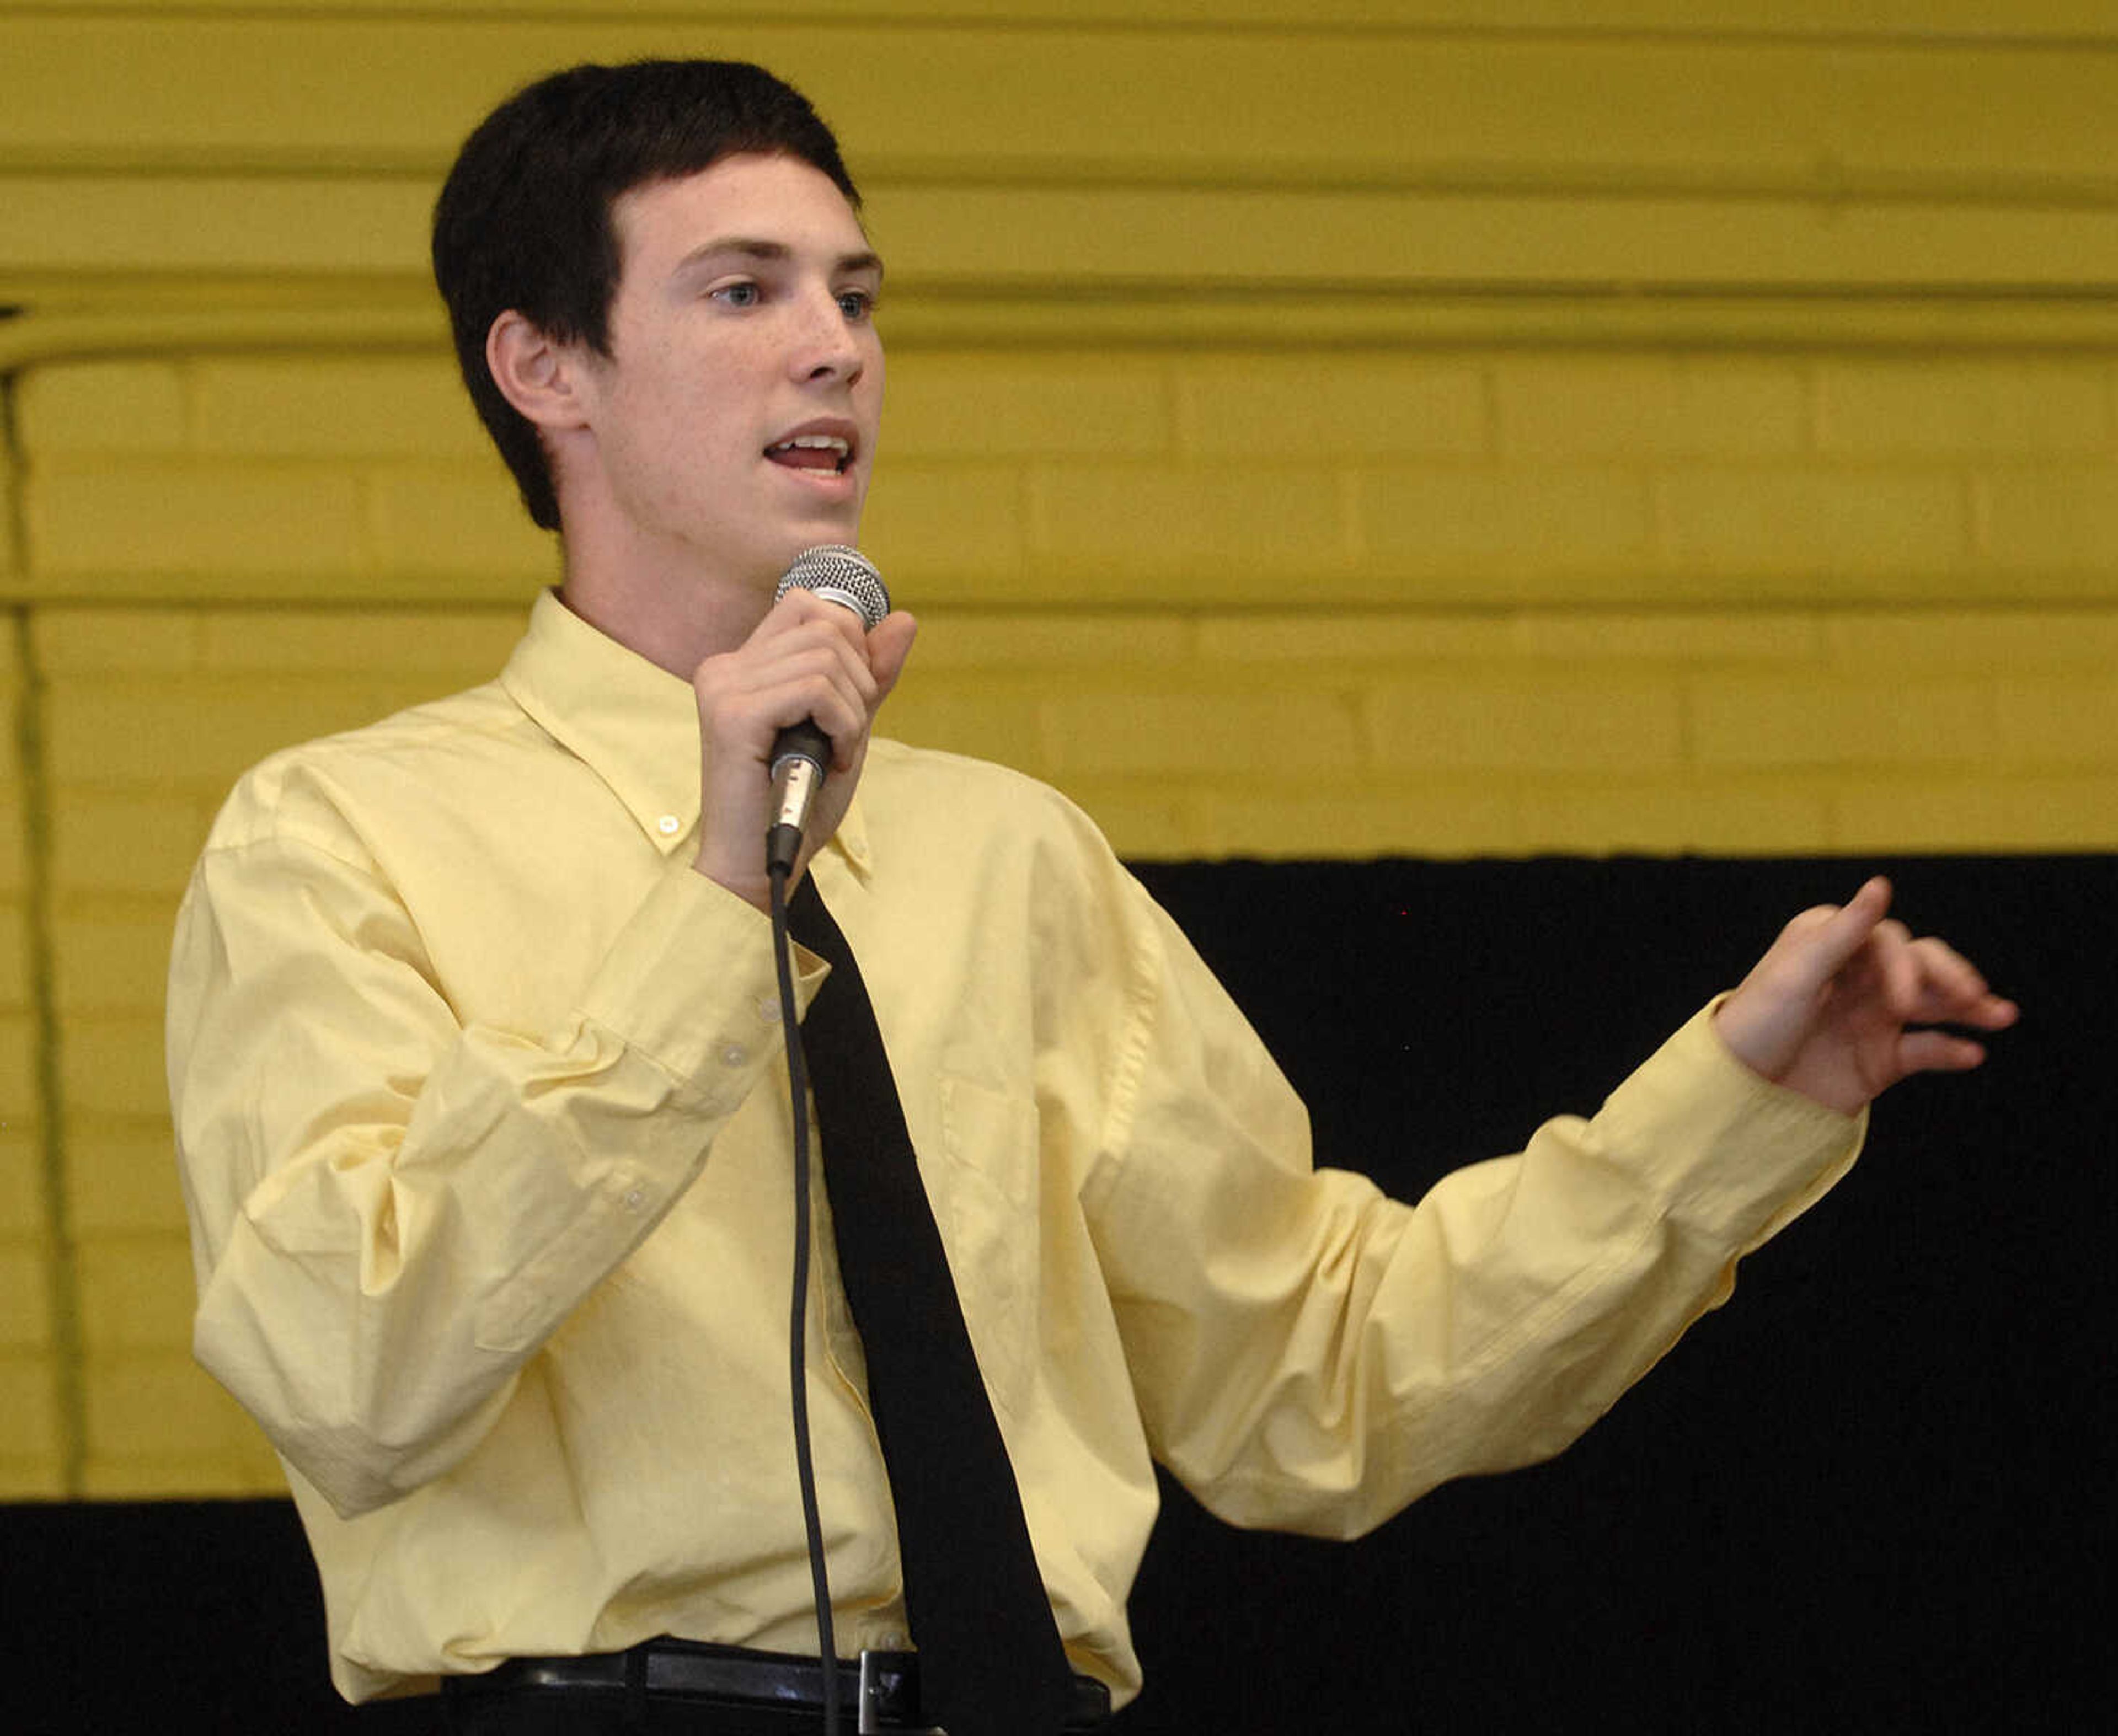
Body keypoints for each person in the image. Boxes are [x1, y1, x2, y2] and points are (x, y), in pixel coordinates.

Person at [167, 58, 2016, 1734]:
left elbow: (1324, 1373)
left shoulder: (1011, 855)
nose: (836, 348)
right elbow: (350, 1365)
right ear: (543, 366)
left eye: (857, 295)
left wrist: (1737, 1101)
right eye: (745, 290)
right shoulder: (337, 834)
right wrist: (718, 897)